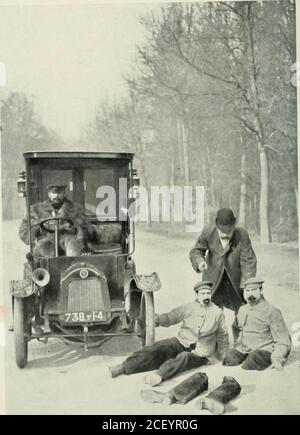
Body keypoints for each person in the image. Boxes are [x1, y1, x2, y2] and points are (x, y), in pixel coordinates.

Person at [109, 282, 229, 386]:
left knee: (184, 357)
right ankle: (123, 367)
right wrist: (154, 319)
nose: (206, 296)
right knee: (158, 347)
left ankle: (158, 376)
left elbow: (223, 335)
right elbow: (170, 317)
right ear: (196, 295)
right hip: (182, 341)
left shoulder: (217, 313)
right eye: (203, 293)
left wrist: (223, 356)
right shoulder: (188, 307)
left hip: (201, 352)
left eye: (208, 293)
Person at [190, 208, 257, 338]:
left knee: (243, 314)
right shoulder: (208, 232)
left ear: (234, 225)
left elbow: (248, 261)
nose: (225, 234)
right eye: (222, 231)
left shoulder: (242, 235)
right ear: (216, 225)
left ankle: (240, 343)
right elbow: (196, 251)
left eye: (229, 231)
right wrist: (200, 262)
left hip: (236, 283)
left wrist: (247, 286)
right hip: (214, 282)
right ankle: (214, 343)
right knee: (212, 316)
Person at [223, 278, 291, 371]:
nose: (250, 294)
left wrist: (277, 359)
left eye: (254, 290)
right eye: (247, 291)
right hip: (244, 349)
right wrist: (238, 344)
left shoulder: (272, 312)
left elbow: (283, 340)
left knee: (252, 362)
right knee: (229, 359)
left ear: (261, 291)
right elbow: (235, 327)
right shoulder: (243, 309)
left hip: (263, 350)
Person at [19, 182, 93, 257]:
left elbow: (88, 229)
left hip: (69, 241)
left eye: (60, 193)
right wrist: (35, 234)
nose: (57, 196)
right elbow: (24, 231)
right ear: (49, 194)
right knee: (43, 249)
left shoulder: (76, 209)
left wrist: (76, 229)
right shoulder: (35, 210)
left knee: (75, 250)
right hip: (46, 243)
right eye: (54, 193)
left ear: (64, 193)